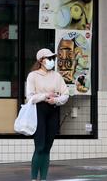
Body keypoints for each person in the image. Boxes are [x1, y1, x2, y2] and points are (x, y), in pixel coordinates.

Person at [26, 48, 69, 181]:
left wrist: (55, 99)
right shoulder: (33, 76)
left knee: (47, 147)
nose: (52, 61)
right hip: (39, 111)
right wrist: (45, 96)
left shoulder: (57, 76)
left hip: (53, 110)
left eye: (53, 58)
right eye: (49, 58)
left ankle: (43, 178)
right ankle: (34, 178)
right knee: (39, 146)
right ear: (41, 60)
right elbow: (30, 97)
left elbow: (66, 94)